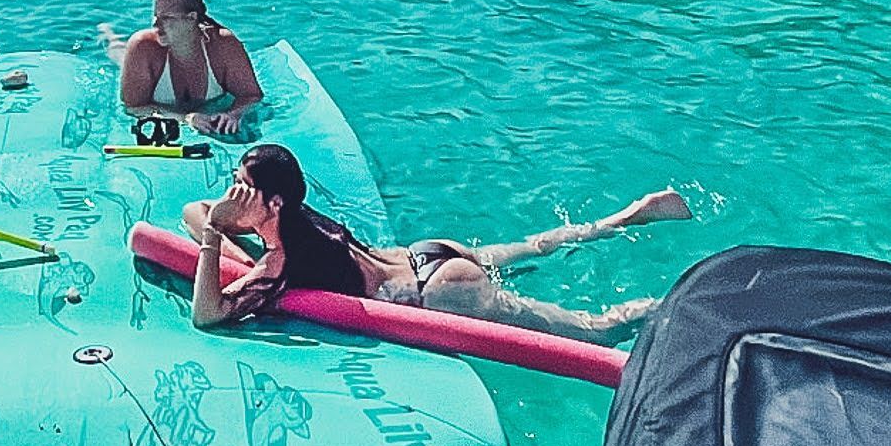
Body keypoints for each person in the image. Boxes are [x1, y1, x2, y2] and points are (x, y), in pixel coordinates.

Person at [182, 143, 692, 343]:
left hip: (441, 293)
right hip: (429, 254)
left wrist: (212, 234)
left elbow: (208, 313)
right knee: (533, 248)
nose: (231, 193)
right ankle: (623, 218)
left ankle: (672, 308)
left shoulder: (279, 260)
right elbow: (195, 210)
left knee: (592, 332)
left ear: (270, 203)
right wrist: (225, 216)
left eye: (240, 185)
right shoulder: (297, 217)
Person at [109, 0, 264, 137]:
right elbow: (133, 107)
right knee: (117, 50)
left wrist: (233, 114)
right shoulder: (143, 47)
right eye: (156, 16)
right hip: (148, 71)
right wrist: (185, 119)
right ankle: (108, 35)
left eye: (166, 18)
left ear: (191, 18)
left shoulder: (223, 45)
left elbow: (252, 96)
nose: (155, 25)